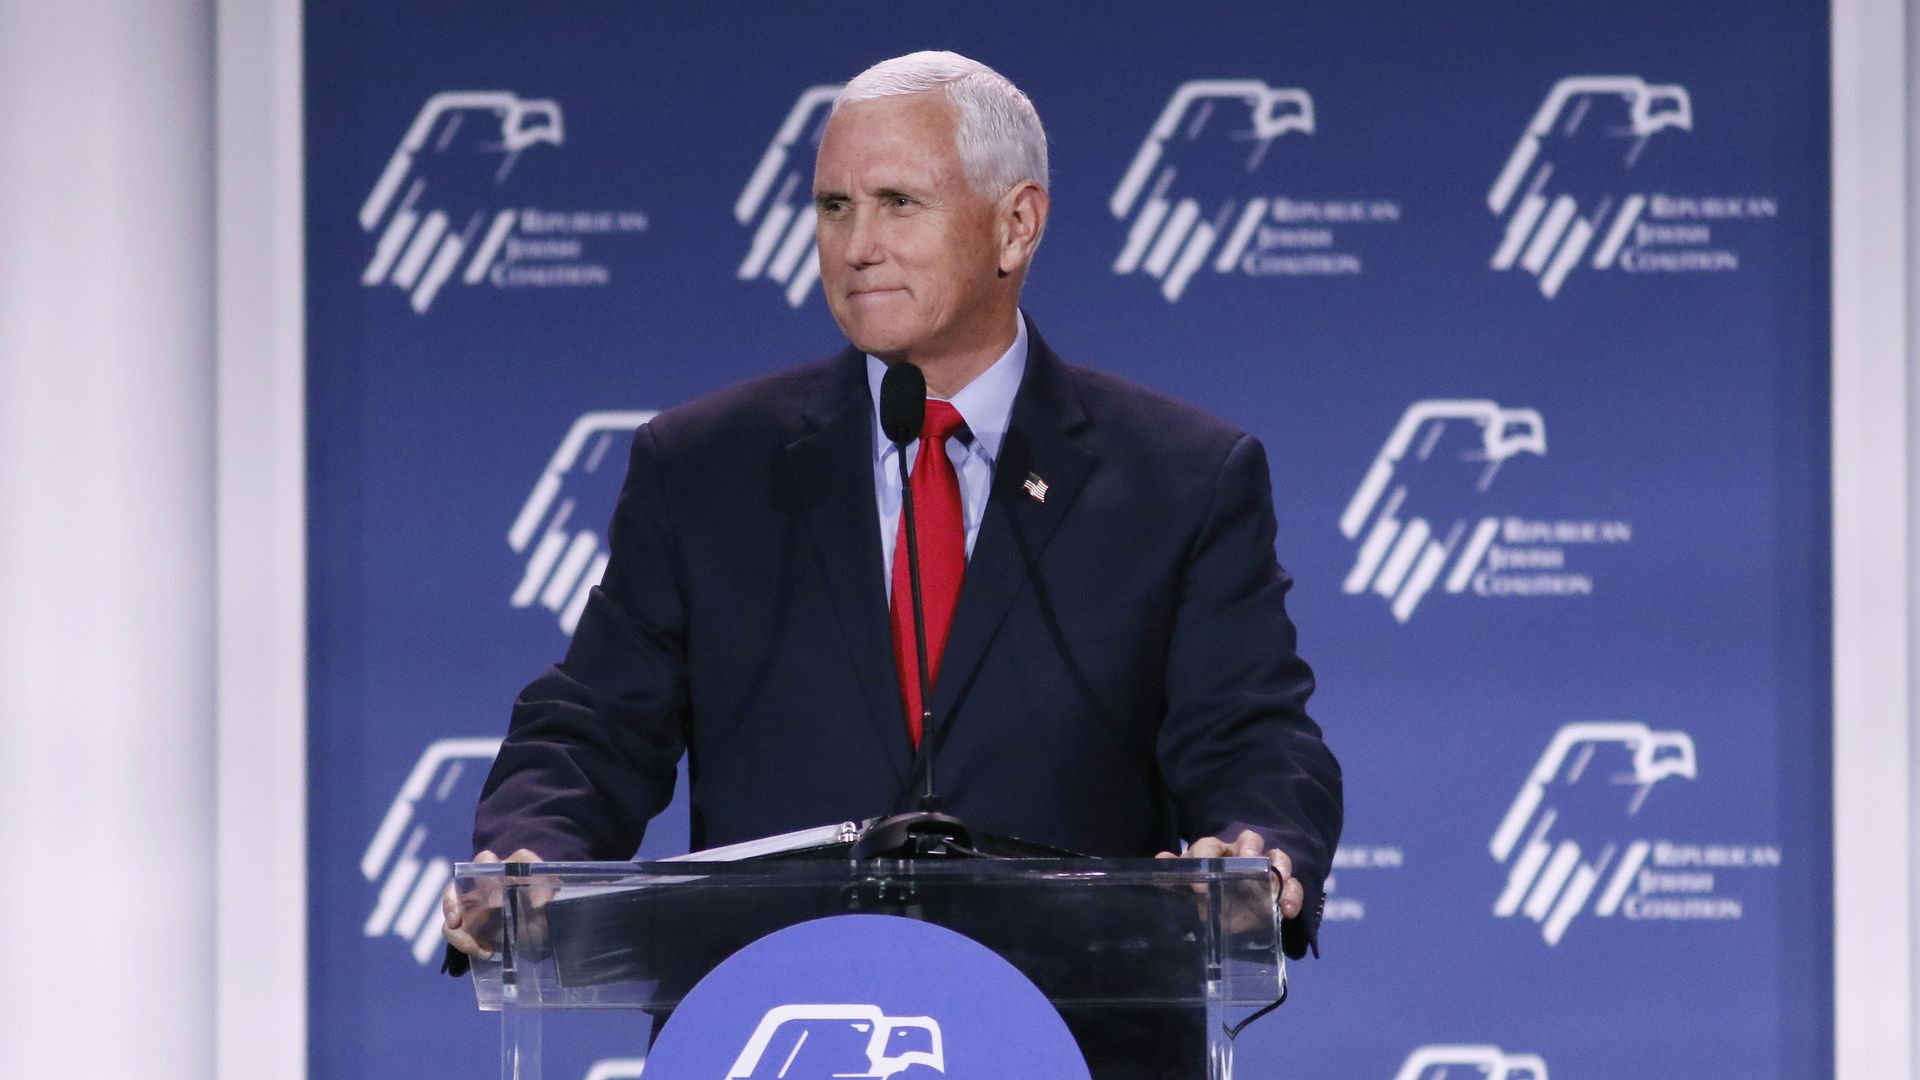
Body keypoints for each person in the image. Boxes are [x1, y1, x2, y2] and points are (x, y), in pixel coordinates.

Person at [444, 49, 1341, 1070]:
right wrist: (533, 851)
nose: (857, 244)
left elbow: (1253, 738)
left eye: (898, 202)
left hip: (1079, 1042)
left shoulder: (1182, 477)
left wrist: (1256, 848)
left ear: (1018, 224)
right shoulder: (706, 469)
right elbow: (595, 723)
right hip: (774, 1040)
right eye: (833, 206)